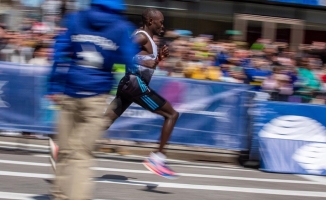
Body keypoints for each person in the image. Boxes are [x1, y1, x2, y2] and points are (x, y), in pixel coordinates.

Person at [47, 0, 137, 199]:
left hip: (69, 91)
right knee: (82, 155)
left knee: (65, 151)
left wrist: (53, 86)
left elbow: (59, 53)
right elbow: (129, 61)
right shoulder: (122, 27)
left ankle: (59, 195)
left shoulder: (76, 18)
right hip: (96, 95)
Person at [104, 8, 180, 179]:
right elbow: (123, 51)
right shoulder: (142, 36)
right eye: (160, 21)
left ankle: (67, 147)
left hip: (129, 86)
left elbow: (147, 64)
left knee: (105, 122)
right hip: (134, 84)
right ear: (150, 21)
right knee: (172, 114)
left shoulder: (149, 41)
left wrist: (158, 59)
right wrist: (143, 59)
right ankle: (157, 159)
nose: (163, 25)